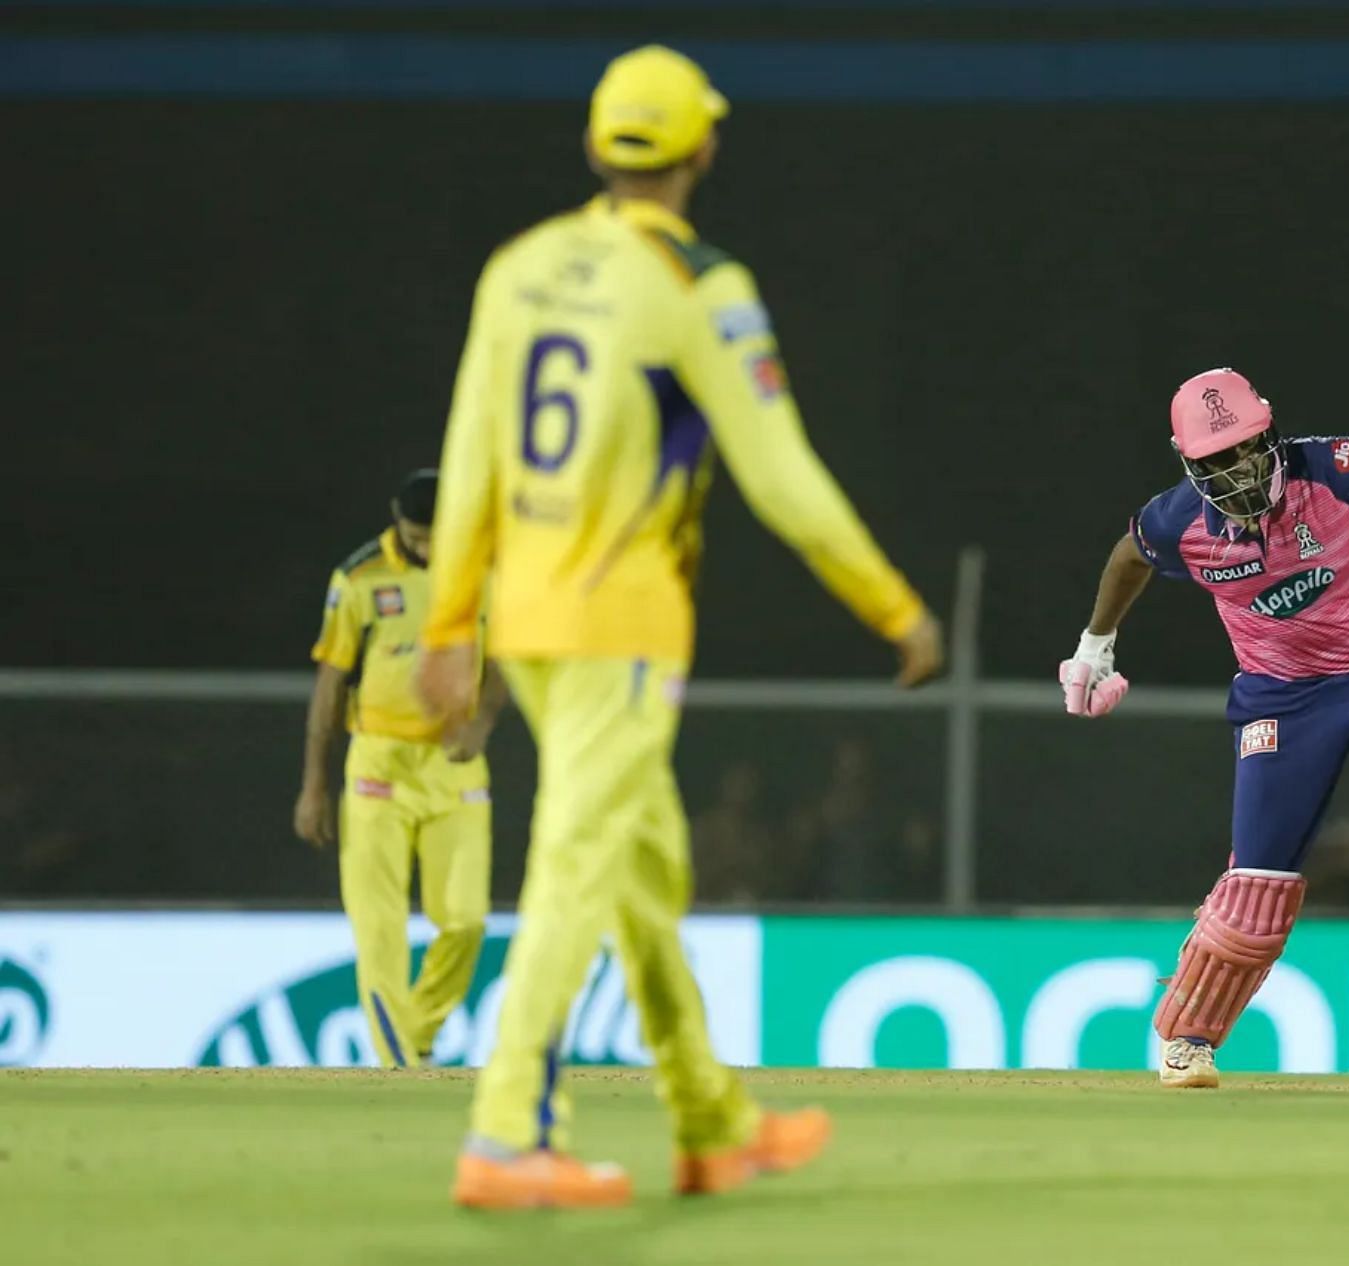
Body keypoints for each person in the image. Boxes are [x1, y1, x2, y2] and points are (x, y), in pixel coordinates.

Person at [417, 46, 944, 1209]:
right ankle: (507, 1135)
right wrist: (890, 603)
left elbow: (469, 455)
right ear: (703, 149)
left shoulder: (519, 268)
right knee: (574, 866)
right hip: (623, 626)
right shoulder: (702, 285)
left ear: (597, 146)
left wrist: (449, 619)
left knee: (642, 868)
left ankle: (710, 1124)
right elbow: (780, 473)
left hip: (524, 622)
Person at [1059, 368, 1349, 1092]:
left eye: (1243, 450)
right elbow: (1127, 557)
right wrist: (1094, 644)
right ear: (1188, 464)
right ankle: (1190, 1039)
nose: (1233, 473)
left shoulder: (1335, 467)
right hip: (1282, 699)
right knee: (1257, 879)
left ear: (1270, 435)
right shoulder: (1178, 522)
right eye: (1212, 462)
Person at [295, 469, 507, 1067]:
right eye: (416, 536)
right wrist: (315, 784)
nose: (427, 548)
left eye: (436, 536)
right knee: (379, 928)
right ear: (397, 520)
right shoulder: (361, 578)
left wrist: (482, 724)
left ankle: (416, 1037)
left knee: (465, 920)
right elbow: (330, 682)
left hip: (456, 765)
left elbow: (506, 659)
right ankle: (400, 1066)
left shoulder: (483, 569)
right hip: (377, 766)